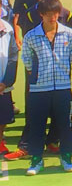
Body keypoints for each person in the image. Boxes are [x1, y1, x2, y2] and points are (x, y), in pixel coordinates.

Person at [22, 0, 72, 176]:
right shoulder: (31, 36)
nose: (52, 17)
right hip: (39, 90)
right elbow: (27, 61)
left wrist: (61, 74)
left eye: (55, 14)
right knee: (37, 125)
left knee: (65, 125)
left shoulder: (68, 34)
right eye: (48, 14)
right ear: (41, 15)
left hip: (62, 88)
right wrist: (38, 76)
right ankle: (36, 160)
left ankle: (66, 157)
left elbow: (71, 55)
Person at [0, 13, 18, 155]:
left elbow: (13, 56)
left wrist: (6, 82)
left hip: (3, 85)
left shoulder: (8, 29)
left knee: (3, 116)